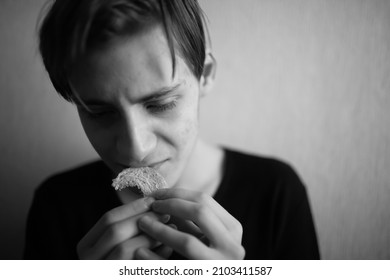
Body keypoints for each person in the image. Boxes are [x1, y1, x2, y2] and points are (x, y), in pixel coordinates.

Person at [24, 0, 320, 260]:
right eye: (100, 113)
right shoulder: (56, 206)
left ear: (205, 75)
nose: (135, 149)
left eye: (161, 103)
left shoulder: (276, 193)